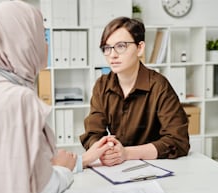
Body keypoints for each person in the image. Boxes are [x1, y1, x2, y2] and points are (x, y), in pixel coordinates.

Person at [0, 1, 111, 193]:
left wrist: (81, 161)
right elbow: (41, 190)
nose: (47, 44)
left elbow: (6, 164)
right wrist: (64, 170)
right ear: (23, 42)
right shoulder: (18, 98)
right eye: (42, 36)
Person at [80, 17, 190, 167]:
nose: (112, 55)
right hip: (115, 168)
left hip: (155, 167)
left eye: (121, 46)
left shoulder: (159, 86)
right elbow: (93, 133)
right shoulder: (102, 85)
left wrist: (126, 153)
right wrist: (105, 150)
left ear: (140, 48)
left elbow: (178, 141)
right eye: (107, 48)